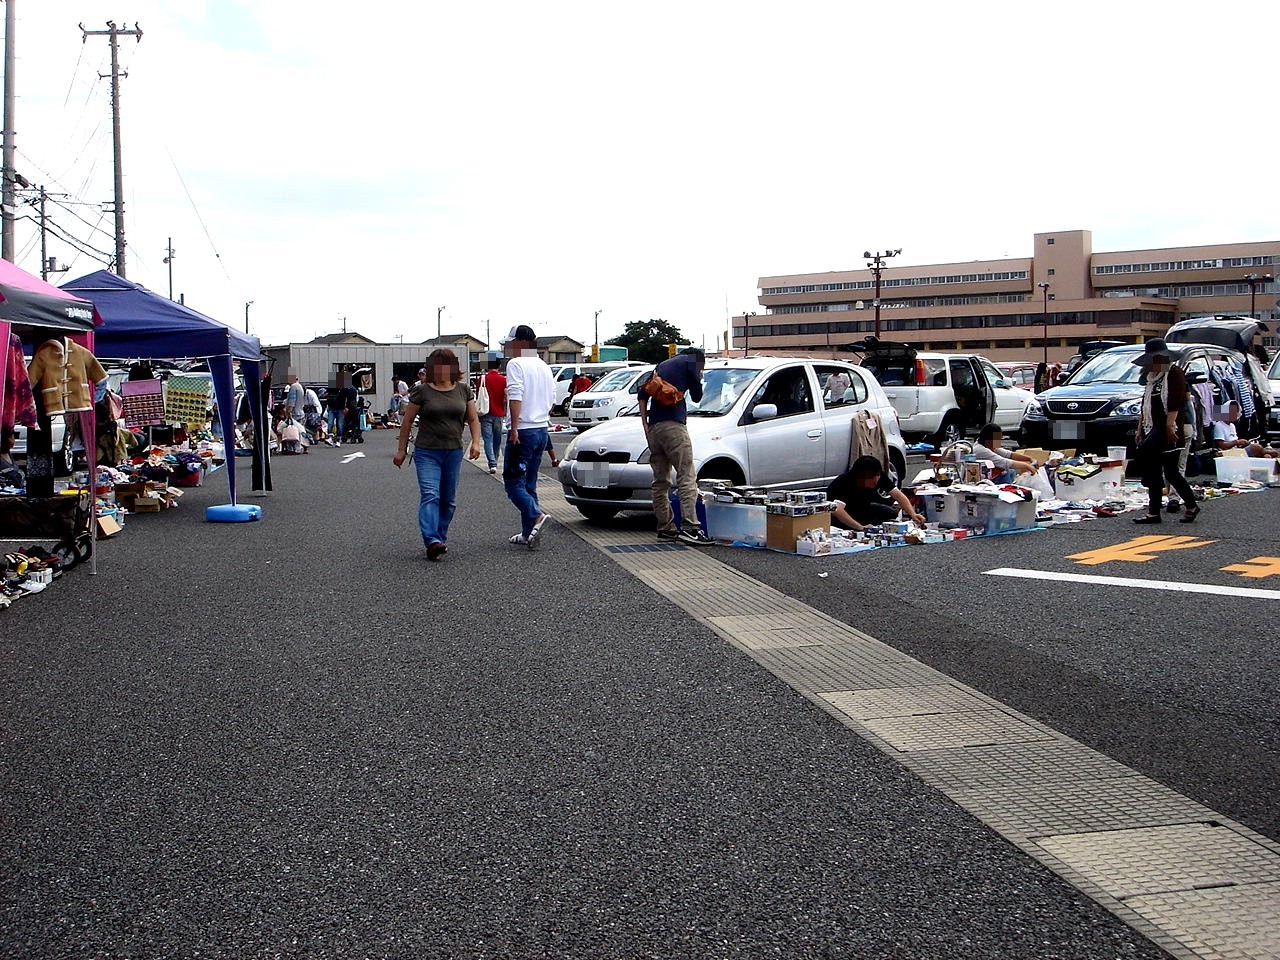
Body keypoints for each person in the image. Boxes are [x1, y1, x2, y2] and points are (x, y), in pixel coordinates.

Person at [392, 348, 481, 561]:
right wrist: (401, 450)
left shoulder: (463, 390)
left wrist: (476, 442)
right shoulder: (422, 391)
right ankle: (431, 540)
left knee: (448, 500)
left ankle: (439, 538)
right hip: (427, 451)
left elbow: (473, 419)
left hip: (453, 451)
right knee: (431, 494)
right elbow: (406, 423)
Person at [637, 347, 713, 545]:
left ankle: (666, 527)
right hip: (674, 426)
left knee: (660, 481)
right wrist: (698, 377)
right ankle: (691, 527)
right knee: (686, 476)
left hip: (654, 428)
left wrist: (646, 424)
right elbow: (697, 395)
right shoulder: (691, 362)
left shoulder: (661, 366)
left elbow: (642, 393)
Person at [1132, 338, 1199, 524]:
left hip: (1170, 427)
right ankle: (1154, 512)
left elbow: (1175, 403)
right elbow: (1145, 406)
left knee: (1171, 472)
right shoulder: (1150, 379)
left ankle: (1191, 505)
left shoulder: (1174, 374)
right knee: (1154, 470)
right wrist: (1140, 429)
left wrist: (1170, 426)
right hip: (1152, 427)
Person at [501, 325, 554, 549]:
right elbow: (551, 397)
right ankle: (526, 533)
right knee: (529, 483)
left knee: (513, 483)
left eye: (511, 342)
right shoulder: (543, 365)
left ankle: (536, 516)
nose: (508, 347)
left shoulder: (516, 363)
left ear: (521, 342)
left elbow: (516, 395)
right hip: (542, 429)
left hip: (523, 430)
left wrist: (514, 427)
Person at [828, 455, 925, 531]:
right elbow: (837, 510)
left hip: (863, 508)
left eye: (878, 475)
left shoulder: (878, 477)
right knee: (841, 523)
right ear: (862, 477)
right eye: (873, 477)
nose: (877, 479)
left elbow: (897, 494)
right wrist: (861, 527)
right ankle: (857, 526)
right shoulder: (845, 482)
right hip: (842, 514)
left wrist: (913, 514)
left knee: (889, 513)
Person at [972, 423, 1039, 483]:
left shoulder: (988, 444)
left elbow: (1009, 454)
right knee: (1008, 472)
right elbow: (1005, 462)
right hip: (984, 478)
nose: (1000, 441)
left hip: (989, 474)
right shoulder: (981, 450)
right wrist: (1027, 466)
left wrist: (1030, 458)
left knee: (1012, 472)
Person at [479, 358, 507, 474]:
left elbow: (478, 393)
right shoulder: (503, 379)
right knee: (497, 439)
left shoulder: (482, 378)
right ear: (499, 366)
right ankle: (494, 460)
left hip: (485, 412)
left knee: (487, 439)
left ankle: (492, 463)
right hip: (499, 413)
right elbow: (505, 397)